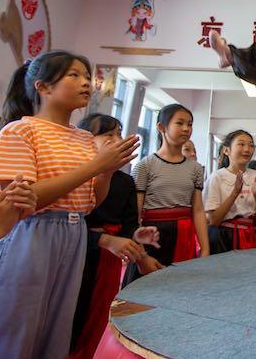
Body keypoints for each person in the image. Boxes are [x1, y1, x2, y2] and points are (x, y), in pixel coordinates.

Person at [0, 51, 139, 358]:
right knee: (16, 326)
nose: (86, 82)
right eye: (74, 75)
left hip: (72, 233)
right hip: (30, 232)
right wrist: (95, 166)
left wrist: (107, 170)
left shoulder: (85, 139)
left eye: (87, 76)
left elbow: (89, 203)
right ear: (43, 87)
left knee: (57, 328)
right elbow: (23, 201)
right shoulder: (20, 130)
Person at [70, 113, 161, 359]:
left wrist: (139, 237)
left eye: (119, 134)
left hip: (108, 260)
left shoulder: (124, 181)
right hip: (75, 253)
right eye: (108, 134)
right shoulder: (76, 176)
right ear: (86, 139)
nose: (116, 140)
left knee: (97, 315)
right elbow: (71, 224)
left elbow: (128, 225)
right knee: (72, 314)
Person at [123, 104, 209, 285]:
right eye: (180, 123)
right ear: (161, 127)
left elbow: (198, 211)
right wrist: (141, 254)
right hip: (153, 236)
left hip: (184, 234)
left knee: (180, 288)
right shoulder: (145, 166)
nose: (186, 128)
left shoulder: (195, 168)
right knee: (147, 288)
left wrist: (205, 248)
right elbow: (135, 214)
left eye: (190, 124)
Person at [203, 130, 256, 253]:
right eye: (241, 144)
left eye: (251, 145)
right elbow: (213, 221)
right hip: (223, 237)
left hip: (250, 234)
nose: (247, 149)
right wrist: (235, 193)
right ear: (226, 150)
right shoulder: (217, 177)